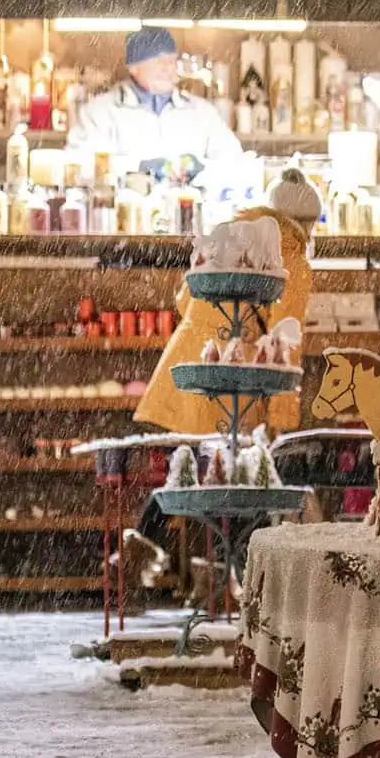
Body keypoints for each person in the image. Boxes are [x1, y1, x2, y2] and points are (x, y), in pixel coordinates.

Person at [121, 170, 322, 588]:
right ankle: (238, 579)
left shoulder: (226, 234)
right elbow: (287, 335)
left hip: (190, 359)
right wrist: (282, 409)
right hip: (240, 371)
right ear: (305, 222)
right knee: (242, 475)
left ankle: (148, 542)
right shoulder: (294, 259)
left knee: (191, 467)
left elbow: (183, 298)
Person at [65, 27, 242, 175]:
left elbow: (234, 161)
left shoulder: (202, 112)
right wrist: (137, 168)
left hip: (189, 212)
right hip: (126, 213)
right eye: (159, 61)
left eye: (172, 61)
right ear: (133, 67)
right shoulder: (100, 112)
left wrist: (202, 168)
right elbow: (78, 164)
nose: (168, 69)